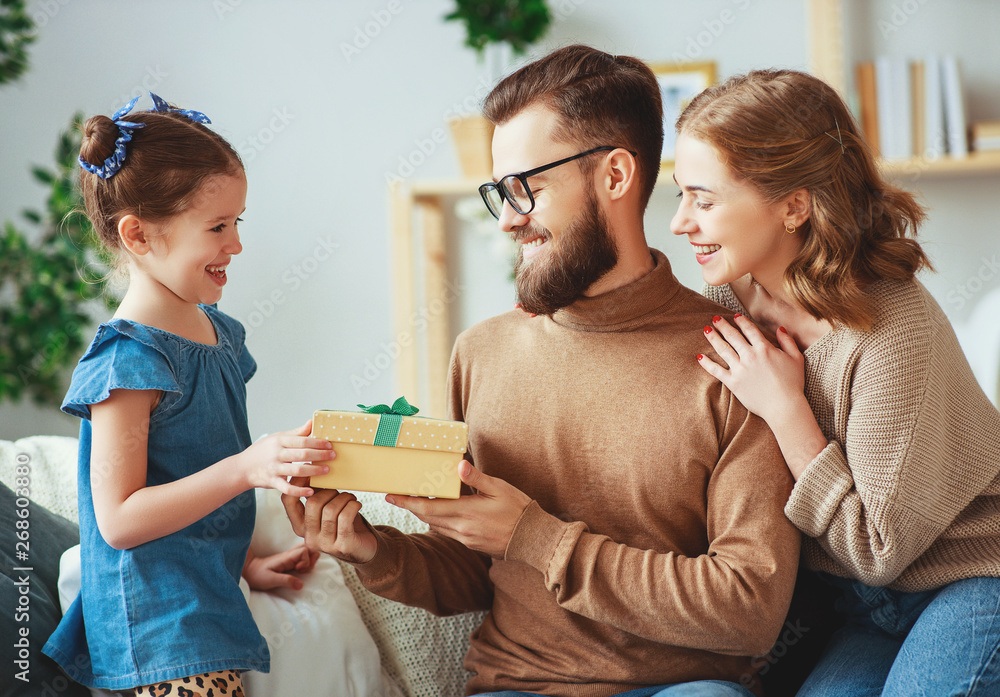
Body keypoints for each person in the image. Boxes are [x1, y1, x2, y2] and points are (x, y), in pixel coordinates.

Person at [284, 45, 800, 697]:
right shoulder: (481, 352)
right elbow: (482, 570)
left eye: (526, 186)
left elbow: (749, 610)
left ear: (615, 175)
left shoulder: (738, 361)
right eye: (499, 191)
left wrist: (539, 537)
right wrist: (372, 549)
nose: (505, 218)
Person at [671, 68, 1000, 696]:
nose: (681, 222)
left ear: (794, 205)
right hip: (859, 605)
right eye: (681, 195)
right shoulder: (729, 299)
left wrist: (785, 407)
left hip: (973, 577)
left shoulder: (891, 330)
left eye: (704, 199)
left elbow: (879, 550)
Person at [41, 93, 335, 696]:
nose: (237, 245)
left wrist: (247, 560)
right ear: (140, 236)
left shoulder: (219, 335)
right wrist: (249, 468)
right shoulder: (128, 360)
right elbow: (120, 521)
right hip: (155, 624)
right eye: (218, 227)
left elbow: (198, 471)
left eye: (238, 222)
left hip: (206, 602)